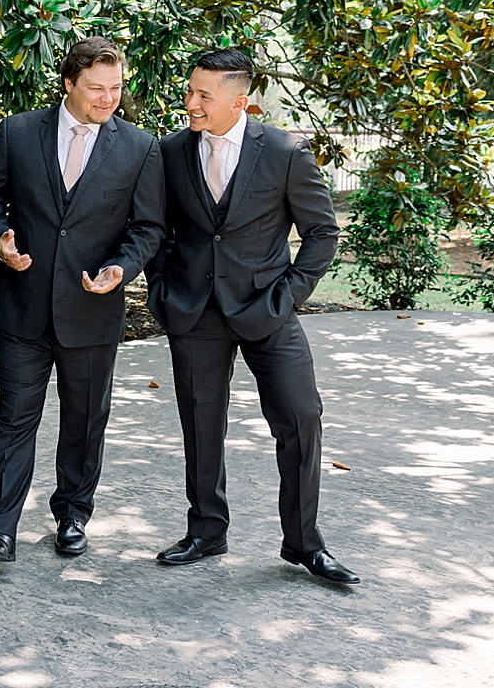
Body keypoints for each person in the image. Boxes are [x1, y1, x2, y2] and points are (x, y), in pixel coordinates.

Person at [147, 48, 359, 584]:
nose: (190, 103)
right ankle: (206, 530)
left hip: (269, 309)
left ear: (239, 102)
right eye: (190, 91)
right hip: (194, 312)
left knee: (301, 417)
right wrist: (163, 289)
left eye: (203, 95)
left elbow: (321, 233)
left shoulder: (286, 151)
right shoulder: (169, 151)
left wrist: (287, 296)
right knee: (200, 425)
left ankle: (304, 544)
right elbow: (156, 230)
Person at [0, 38, 165, 563]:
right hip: (22, 305)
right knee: (13, 418)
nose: (108, 98)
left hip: (92, 309)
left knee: (84, 421)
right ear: (68, 84)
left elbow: (148, 226)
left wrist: (121, 268)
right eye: (97, 88)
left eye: (116, 88)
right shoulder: (16, 132)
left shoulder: (141, 147)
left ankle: (73, 516)